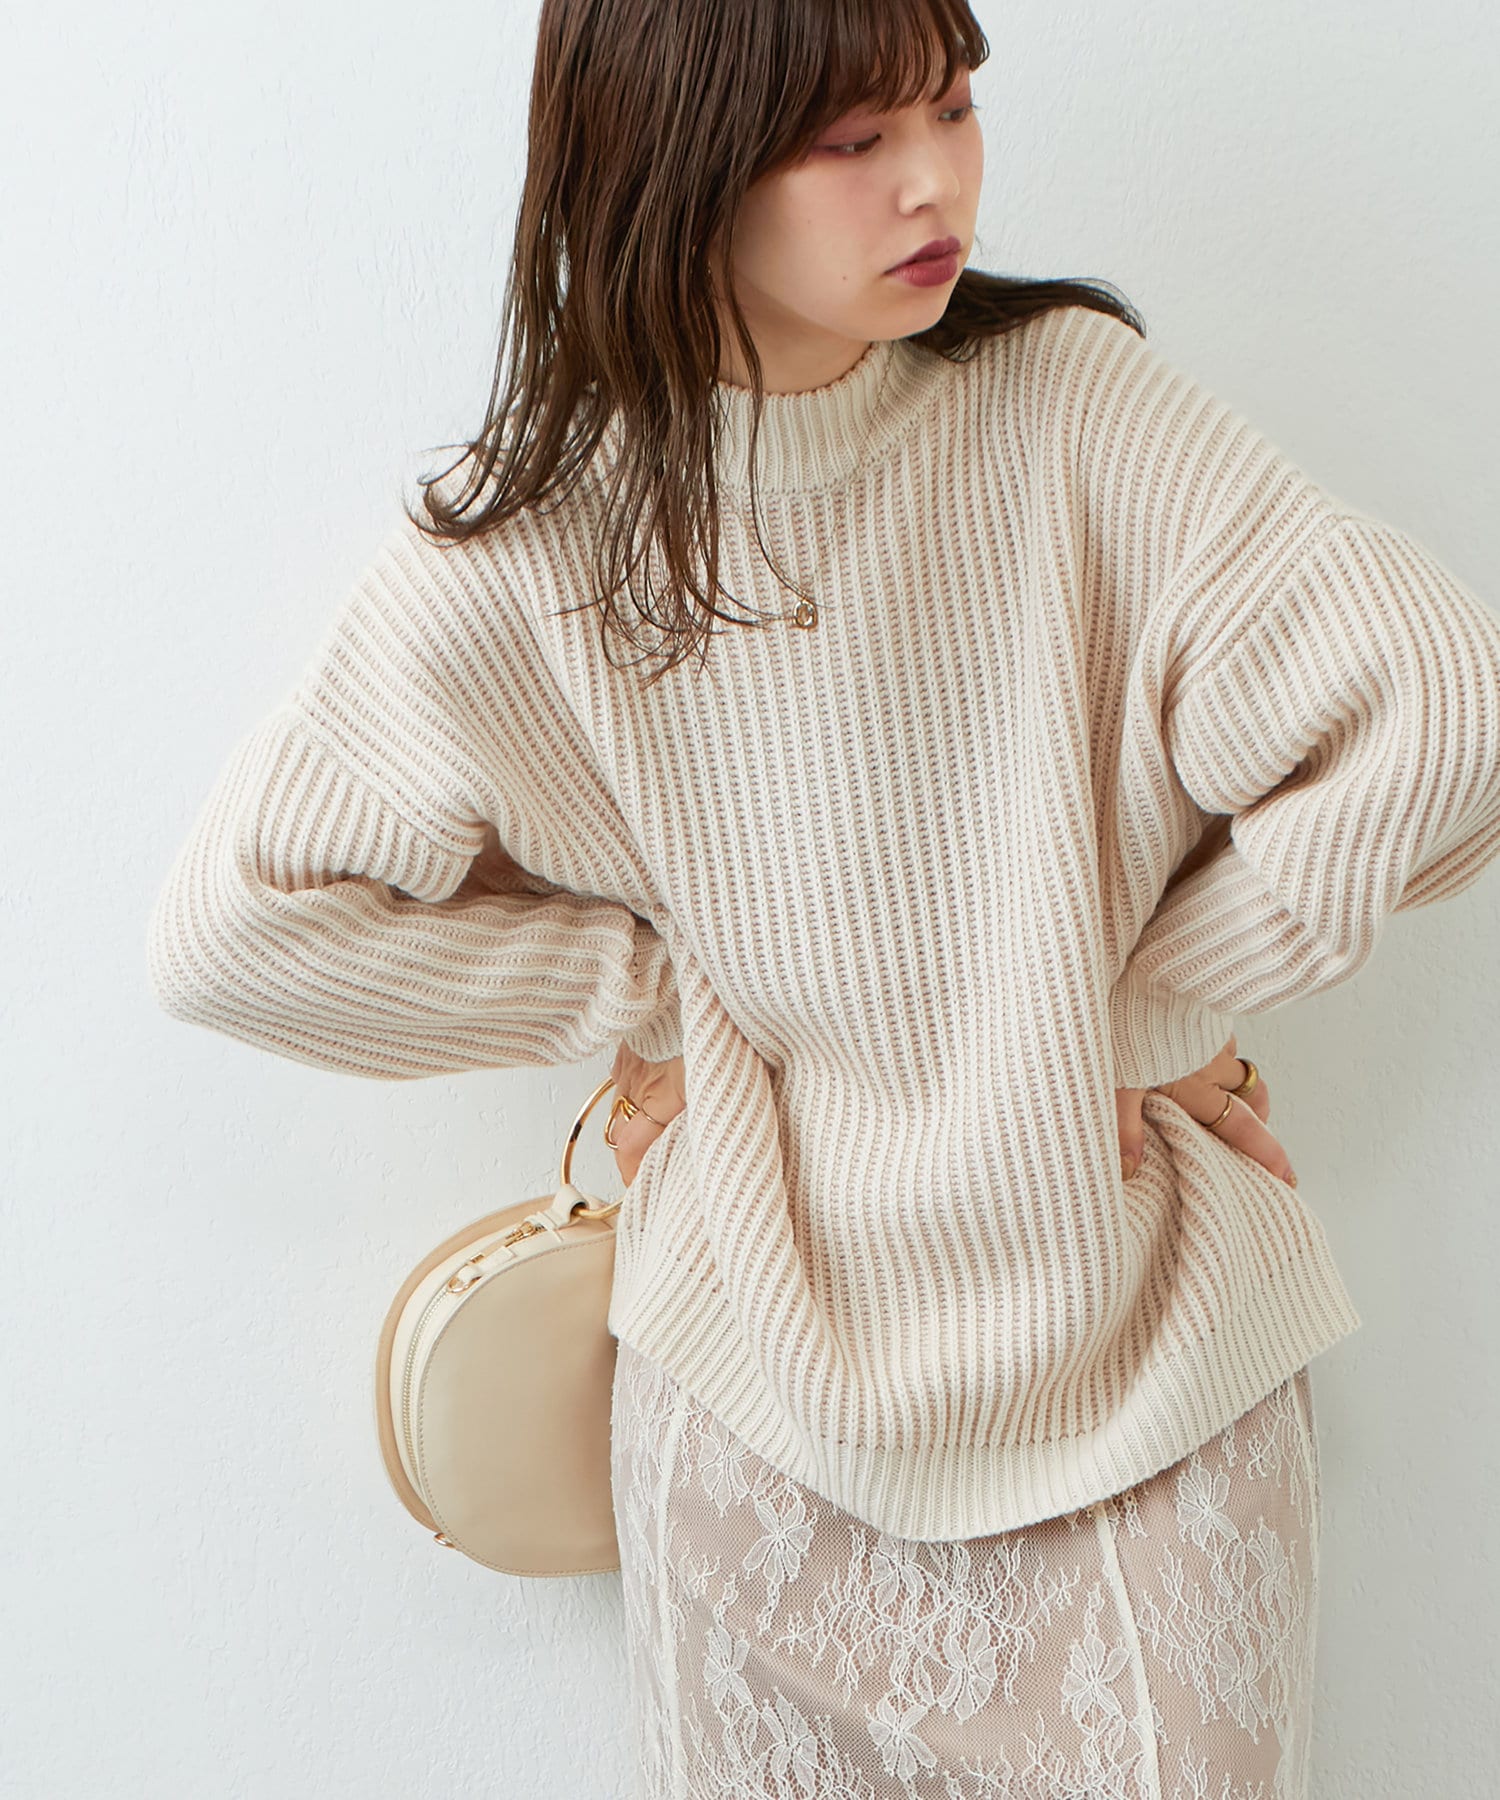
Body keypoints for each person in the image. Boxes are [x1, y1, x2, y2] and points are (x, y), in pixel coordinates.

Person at [147, 2, 1500, 1794]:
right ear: (675, 160)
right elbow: (237, 932)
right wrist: (652, 995)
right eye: (854, 141)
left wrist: (1141, 1007)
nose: (936, 184)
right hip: (756, 1425)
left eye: (953, 107)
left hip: (1146, 1382)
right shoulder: (537, 545)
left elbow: (1443, 718)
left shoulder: (1073, 413)